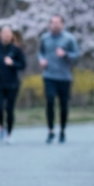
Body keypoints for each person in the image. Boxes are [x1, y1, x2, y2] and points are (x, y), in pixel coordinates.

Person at [38, 14, 79, 144]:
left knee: (63, 105)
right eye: (52, 22)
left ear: (62, 24)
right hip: (49, 75)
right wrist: (41, 60)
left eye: (57, 22)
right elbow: (40, 52)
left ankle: (62, 130)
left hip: (64, 77)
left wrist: (66, 54)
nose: (54, 25)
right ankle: (50, 130)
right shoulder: (44, 38)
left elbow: (77, 55)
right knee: (50, 101)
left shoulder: (69, 38)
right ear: (49, 24)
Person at [0, 25, 26, 144]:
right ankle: (1, 126)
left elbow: (23, 65)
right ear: (0, 34)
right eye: (4, 32)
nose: (6, 35)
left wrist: (12, 63)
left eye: (8, 33)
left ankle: (9, 133)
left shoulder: (16, 49)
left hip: (12, 84)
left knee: (9, 109)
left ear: (12, 35)